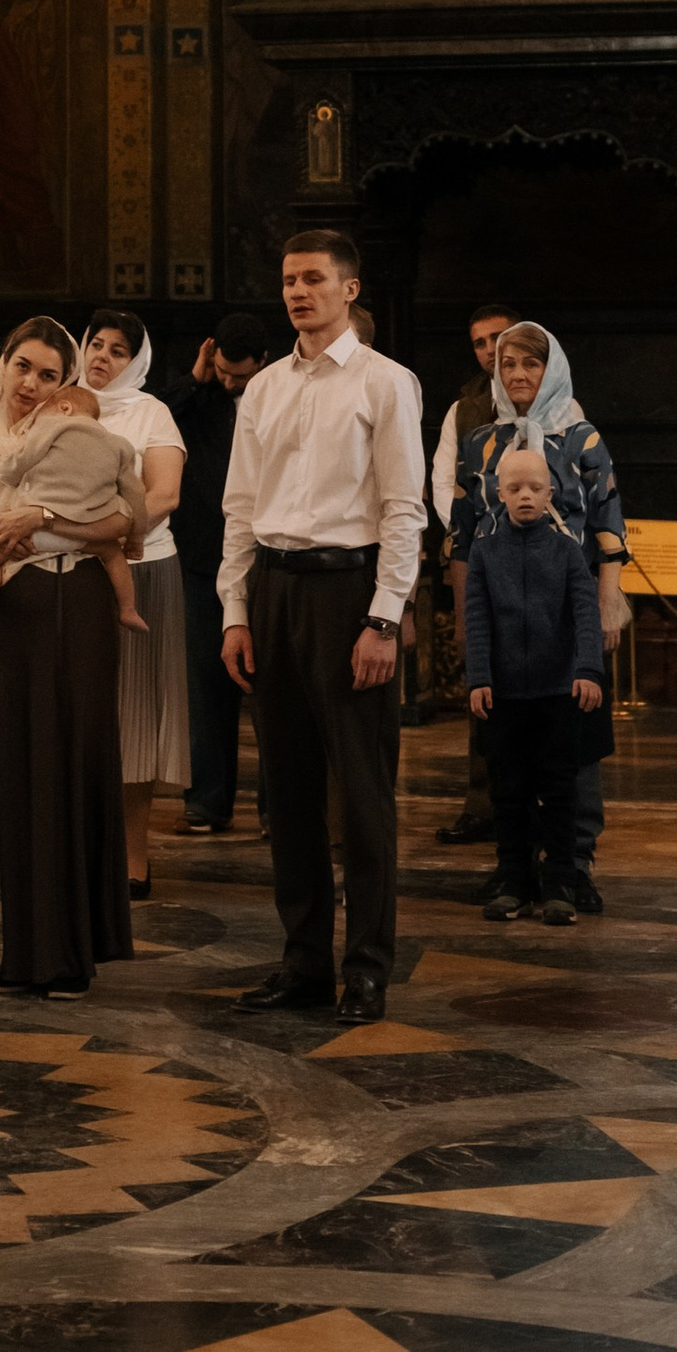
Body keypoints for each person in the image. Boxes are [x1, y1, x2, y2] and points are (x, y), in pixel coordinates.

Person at [222, 233, 425, 1024]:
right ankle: (303, 962)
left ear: (349, 289)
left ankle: (367, 967)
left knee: (363, 794)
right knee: (289, 793)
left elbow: (405, 507)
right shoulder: (265, 388)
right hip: (273, 590)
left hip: (349, 593)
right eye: (288, 281)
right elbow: (240, 508)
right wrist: (236, 612)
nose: (297, 292)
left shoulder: (387, 383)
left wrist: (385, 616)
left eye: (313, 279)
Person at [0, 315, 135, 999]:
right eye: (24, 366)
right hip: (7, 617)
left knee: (76, 765)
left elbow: (123, 524)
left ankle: (75, 954)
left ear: (66, 385)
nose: (33, 384)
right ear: (4, 364)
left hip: (78, 604)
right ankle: (26, 954)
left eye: (50, 375)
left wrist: (45, 520)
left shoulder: (80, 438)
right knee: (20, 777)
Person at [451, 321, 627, 912]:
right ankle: (515, 867)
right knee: (510, 754)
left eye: (530, 364)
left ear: (550, 370)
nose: (519, 376)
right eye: (508, 365)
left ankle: (573, 866)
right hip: (502, 611)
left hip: (567, 605)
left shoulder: (581, 437)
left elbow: (608, 523)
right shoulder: (479, 442)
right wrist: (462, 613)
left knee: (575, 745)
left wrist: (608, 603)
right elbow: (463, 532)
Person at [462, 444, 604, 925]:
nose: (525, 496)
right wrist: (479, 678)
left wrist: (587, 670)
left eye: (535, 488)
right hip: (504, 696)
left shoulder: (566, 551)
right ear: (499, 494)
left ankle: (561, 879)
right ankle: (514, 878)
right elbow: (477, 618)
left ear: (551, 494)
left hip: (557, 693)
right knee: (509, 791)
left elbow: (586, 613)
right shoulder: (485, 552)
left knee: (561, 789)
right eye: (515, 488)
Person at [81, 310, 189, 896]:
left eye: (118, 350)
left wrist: (104, 527)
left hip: (143, 568)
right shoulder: (62, 405)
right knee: (82, 711)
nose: (101, 356)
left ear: (137, 361)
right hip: (71, 568)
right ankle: (81, 849)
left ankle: (133, 856)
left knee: (135, 717)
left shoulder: (151, 412)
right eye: (95, 344)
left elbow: (166, 491)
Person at [172, 311, 269, 833]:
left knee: (269, 689)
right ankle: (208, 799)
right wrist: (196, 378)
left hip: (266, 561)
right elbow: (157, 423)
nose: (232, 382)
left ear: (264, 362)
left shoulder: (274, 396)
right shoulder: (197, 399)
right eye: (225, 371)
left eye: (241, 374)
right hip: (201, 559)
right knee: (206, 688)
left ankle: (275, 807)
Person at [0, 382, 145, 643]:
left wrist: (5, 469)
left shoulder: (52, 426)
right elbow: (136, 495)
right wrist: (137, 537)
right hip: (89, 531)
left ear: (65, 408)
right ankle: (128, 609)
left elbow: (21, 460)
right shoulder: (120, 445)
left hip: (35, 530)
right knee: (114, 554)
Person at [433, 304, 512, 847]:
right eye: (480, 342)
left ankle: (540, 809)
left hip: (543, 558)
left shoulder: (560, 400)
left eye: (499, 338)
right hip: (481, 557)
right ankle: (481, 804)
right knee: (482, 679)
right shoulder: (464, 410)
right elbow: (443, 483)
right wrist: (476, 532)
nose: (490, 350)